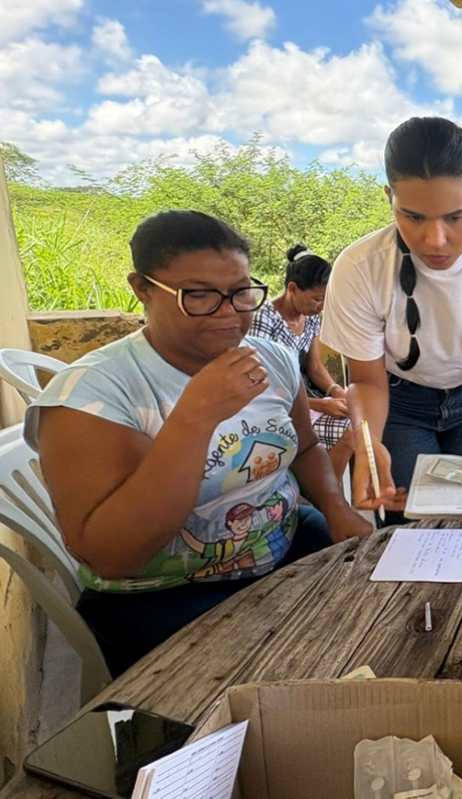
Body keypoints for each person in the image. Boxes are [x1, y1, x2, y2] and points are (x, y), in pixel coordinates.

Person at [28, 210, 370, 676]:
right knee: (282, 688)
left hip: (283, 542)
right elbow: (112, 554)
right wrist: (196, 415)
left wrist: (335, 507)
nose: (229, 313)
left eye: (241, 293)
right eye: (201, 295)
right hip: (165, 592)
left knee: (382, 619)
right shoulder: (93, 396)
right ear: (142, 288)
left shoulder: (271, 357)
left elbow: (305, 448)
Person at [321, 117, 462, 518]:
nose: (435, 240)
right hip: (398, 401)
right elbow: (366, 380)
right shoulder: (360, 267)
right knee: (405, 521)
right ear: (388, 198)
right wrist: (368, 439)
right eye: (413, 217)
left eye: (455, 217)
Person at [249, 244, 354, 473]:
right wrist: (320, 405)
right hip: (273, 405)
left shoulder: (312, 317)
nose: (321, 306)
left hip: (304, 398)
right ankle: (324, 494)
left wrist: (336, 391)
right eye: (316, 299)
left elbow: (315, 366)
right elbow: (260, 384)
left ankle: (327, 492)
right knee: (347, 432)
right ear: (292, 288)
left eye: (325, 300)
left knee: (356, 424)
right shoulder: (264, 318)